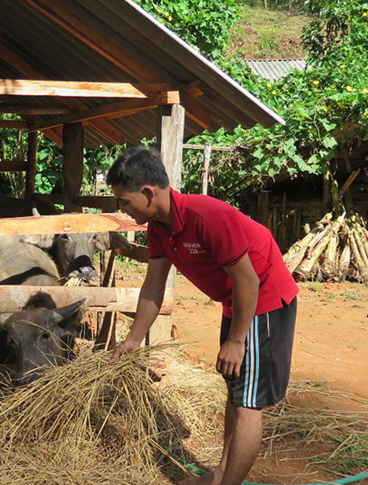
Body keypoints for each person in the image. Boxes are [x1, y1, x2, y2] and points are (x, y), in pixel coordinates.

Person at [107, 147, 298, 485]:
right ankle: (222, 475)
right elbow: (153, 286)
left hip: (263, 299)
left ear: (148, 193)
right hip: (236, 302)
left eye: (124, 201)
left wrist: (237, 340)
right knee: (236, 391)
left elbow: (248, 280)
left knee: (247, 404)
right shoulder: (158, 227)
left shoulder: (208, 216)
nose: (122, 208)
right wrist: (133, 340)